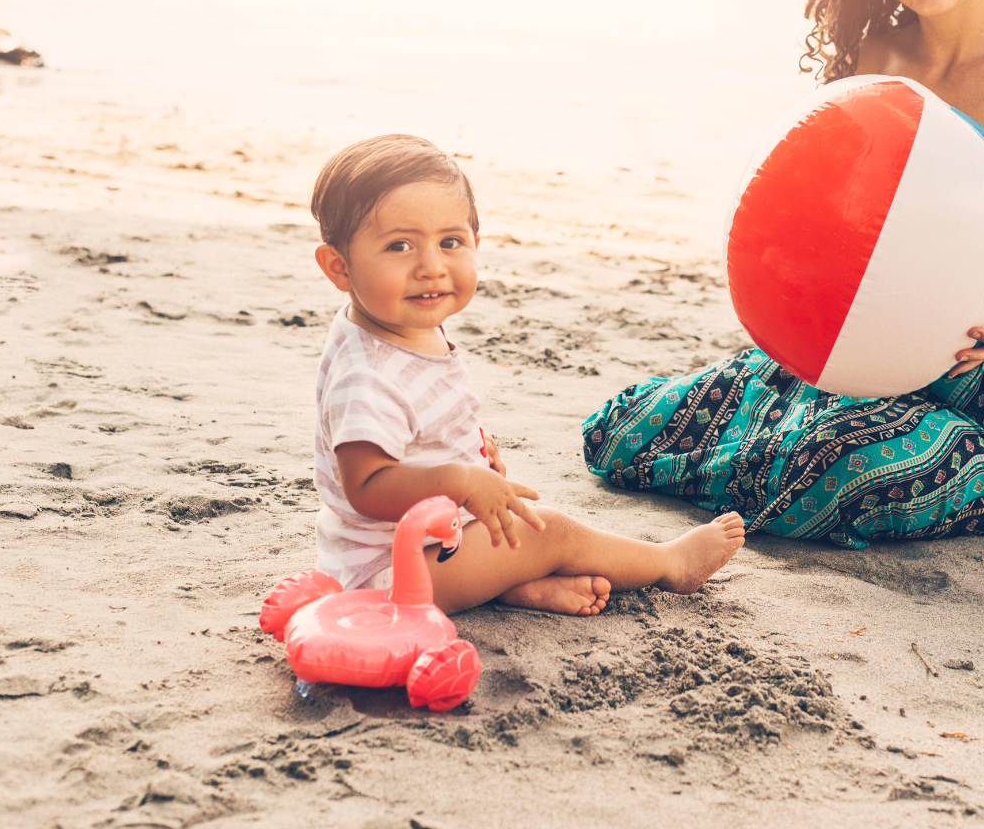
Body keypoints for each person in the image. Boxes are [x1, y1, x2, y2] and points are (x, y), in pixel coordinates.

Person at [583, 0, 984, 548]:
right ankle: (766, 467)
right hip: (848, 363)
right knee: (625, 431)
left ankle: (771, 472)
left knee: (830, 470)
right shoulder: (872, 54)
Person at [309, 134, 745, 615]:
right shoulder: (366, 376)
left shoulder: (398, 321)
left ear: (475, 243)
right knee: (548, 531)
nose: (431, 267)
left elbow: (419, 420)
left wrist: (467, 445)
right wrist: (459, 479)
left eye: (449, 242)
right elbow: (366, 485)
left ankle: (513, 588)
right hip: (392, 573)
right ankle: (669, 564)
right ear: (340, 267)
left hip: (436, 538)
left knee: (513, 533)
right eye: (399, 246)